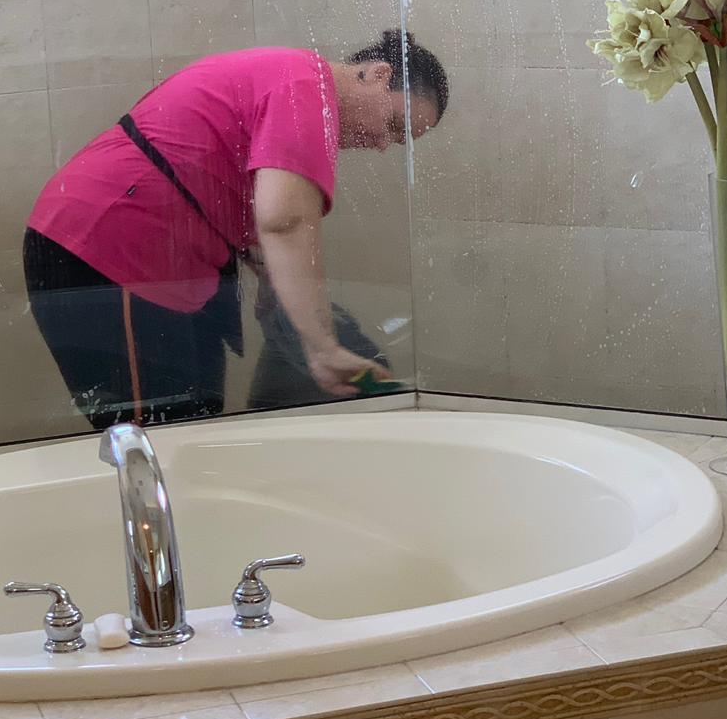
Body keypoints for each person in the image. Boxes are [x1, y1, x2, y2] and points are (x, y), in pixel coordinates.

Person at [23, 30, 449, 431]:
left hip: (152, 261)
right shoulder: (304, 85)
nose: (380, 144)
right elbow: (284, 220)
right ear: (379, 75)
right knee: (157, 436)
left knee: (195, 424)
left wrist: (278, 294)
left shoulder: (294, 81)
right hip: (107, 247)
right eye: (394, 125)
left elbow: (232, 192)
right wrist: (323, 349)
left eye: (397, 141)